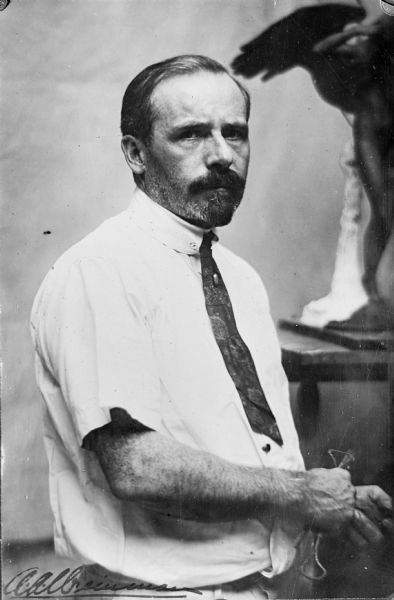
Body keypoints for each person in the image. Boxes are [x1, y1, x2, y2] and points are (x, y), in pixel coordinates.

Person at [30, 55, 392, 600]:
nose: (222, 154)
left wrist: (326, 500)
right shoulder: (100, 272)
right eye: (192, 134)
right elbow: (136, 467)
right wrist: (299, 494)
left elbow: (227, 442)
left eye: (235, 133)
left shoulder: (240, 279)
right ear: (135, 153)